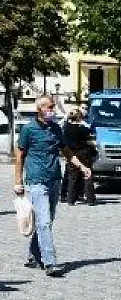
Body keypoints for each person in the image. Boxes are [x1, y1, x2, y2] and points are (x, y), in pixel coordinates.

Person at [14, 95, 92, 277]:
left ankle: (33, 255)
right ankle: (50, 262)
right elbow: (19, 157)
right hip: (36, 181)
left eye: (53, 107)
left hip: (54, 179)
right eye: (49, 107)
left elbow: (66, 151)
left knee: (46, 220)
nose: (52, 110)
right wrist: (18, 181)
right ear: (39, 109)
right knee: (44, 221)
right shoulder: (28, 130)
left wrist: (82, 167)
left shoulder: (56, 128)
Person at [63, 109, 97, 205]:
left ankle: (71, 199)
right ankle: (90, 199)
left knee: (72, 177)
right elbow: (89, 137)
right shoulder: (82, 129)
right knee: (87, 174)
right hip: (83, 153)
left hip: (71, 153)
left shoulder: (66, 128)